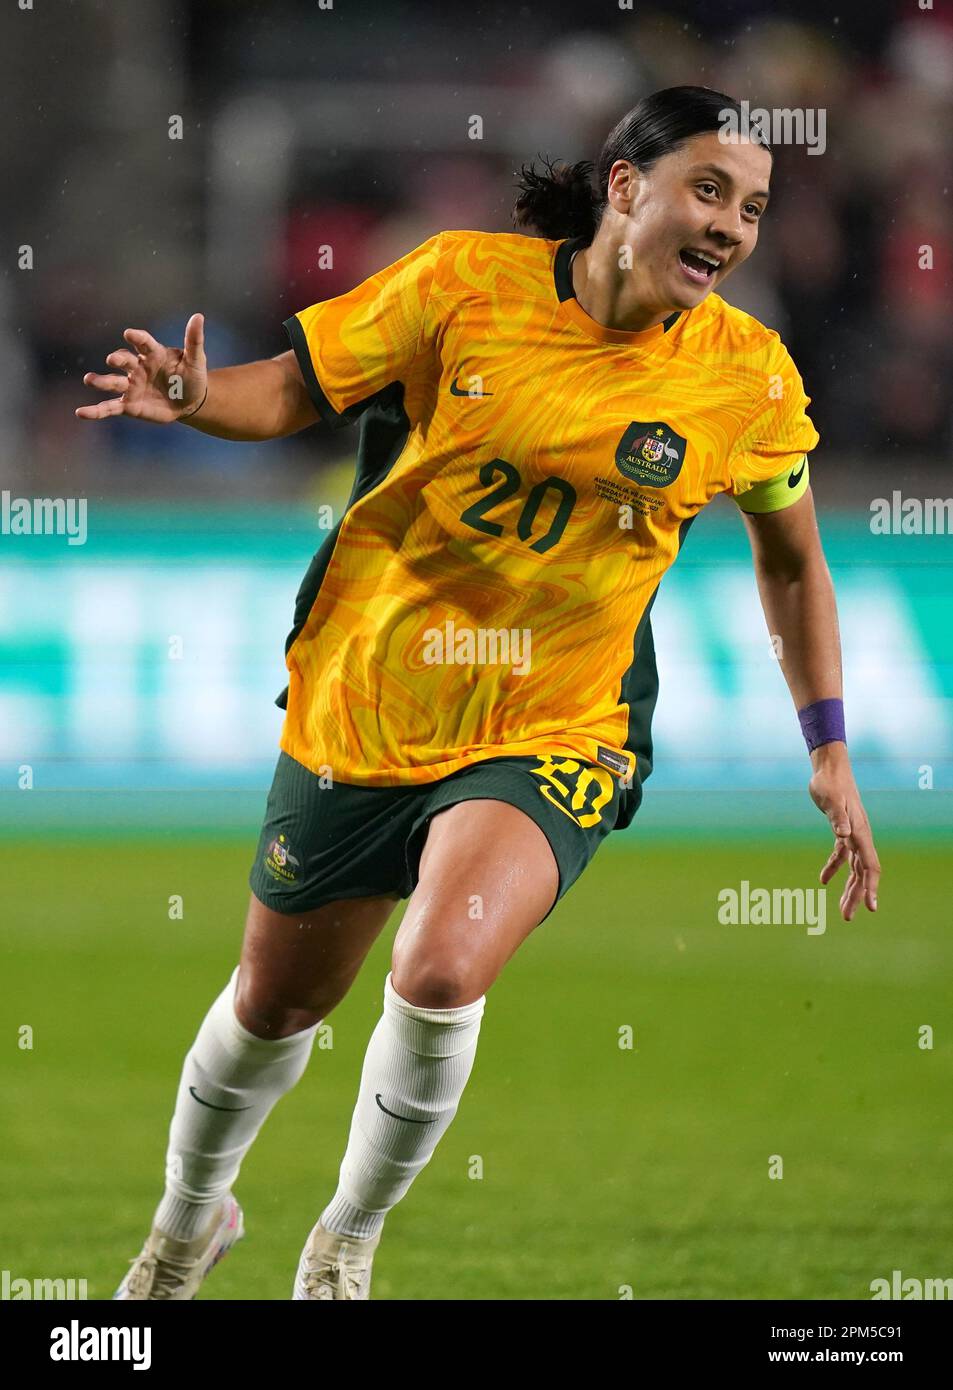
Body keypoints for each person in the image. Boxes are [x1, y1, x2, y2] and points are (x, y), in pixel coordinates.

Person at [76, 85, 881, 1301]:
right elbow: (294, 389)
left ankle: (344, 1242)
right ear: (624, 187)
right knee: (273, 1004)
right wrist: (195, 398)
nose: (729, 226)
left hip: (560, 716)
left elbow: (791, 560)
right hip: (372, 689)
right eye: (706, 190)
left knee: (442, 967)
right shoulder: (461, 284)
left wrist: (827, 745)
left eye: (752, 208)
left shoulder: (745, 377)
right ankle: (186, 1228)